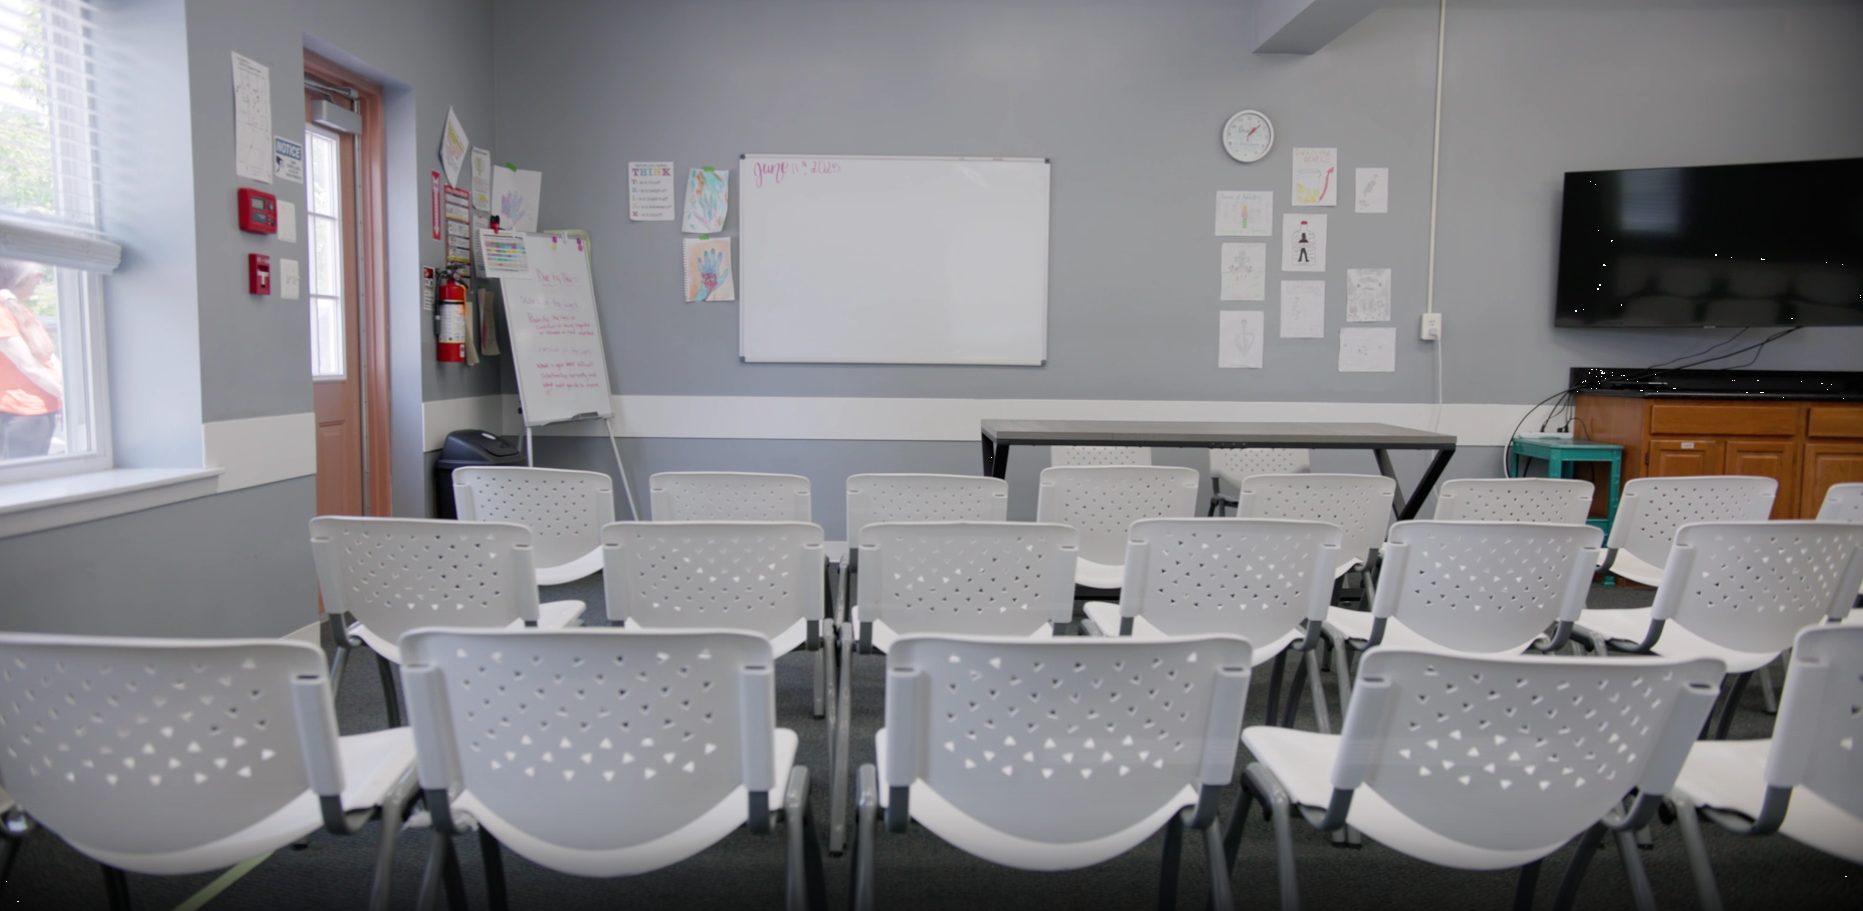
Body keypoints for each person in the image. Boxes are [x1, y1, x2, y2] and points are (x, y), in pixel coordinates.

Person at [0, 259, 62, 459]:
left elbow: (45, 358)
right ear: (18, 277)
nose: (40, 280)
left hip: (40, 411)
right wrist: (65, 395)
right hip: (22, 414)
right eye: (36, 274)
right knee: (22, 483)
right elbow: (28, 366)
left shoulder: (19, 310)